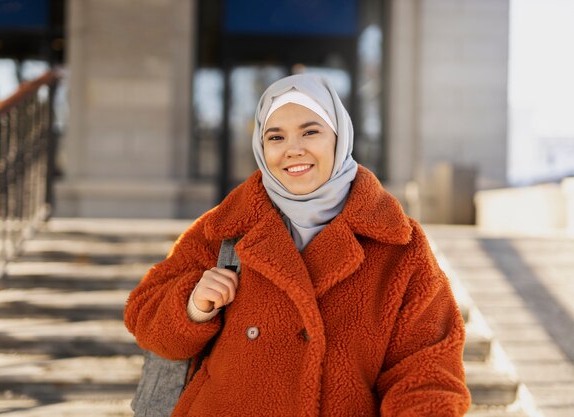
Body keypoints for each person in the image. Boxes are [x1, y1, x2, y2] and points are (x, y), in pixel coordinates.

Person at [124, 74, 471, 416]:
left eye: (310, 131)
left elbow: (428, 370)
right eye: (276, 137)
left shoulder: (398, 245)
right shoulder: (222, 228)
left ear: (340, 136)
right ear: (262, 149)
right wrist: (194, 305)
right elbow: (144, 317)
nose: (294, 149)